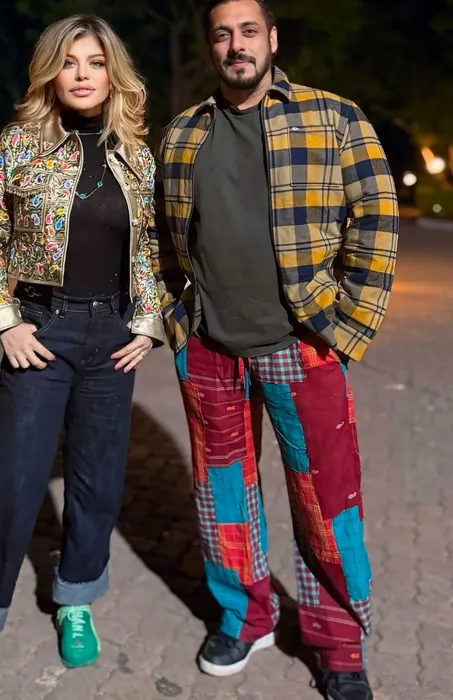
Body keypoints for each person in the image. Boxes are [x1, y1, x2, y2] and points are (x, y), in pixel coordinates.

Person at [150, 1, 399, 698]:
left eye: (249, 31)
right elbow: (159, 237)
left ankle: (339, 646)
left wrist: (345, 327)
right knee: (223, 498)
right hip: (209, 349)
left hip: (302, 345)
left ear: (272, 39)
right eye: (222, 34)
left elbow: (377, 219)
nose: (236, 45)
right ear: (211, 46)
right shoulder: (184, 134)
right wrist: (175, 318)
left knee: (326, 503)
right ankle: (246, 616)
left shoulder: (334, 117)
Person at [0, 14, 164, 690]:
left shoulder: (135, 153)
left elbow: (149, 245)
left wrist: (147, 323)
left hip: (111, 338)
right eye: (70, 62)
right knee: (12, 480)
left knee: (98, 481)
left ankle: (76, 597)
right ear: (51, 73)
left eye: (95, 62)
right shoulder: (20, 143)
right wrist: (4, 322)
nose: (82, 74)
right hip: (40, 332)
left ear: (113, 73)